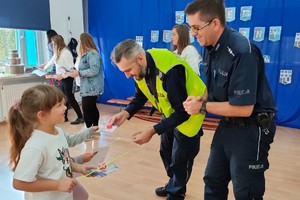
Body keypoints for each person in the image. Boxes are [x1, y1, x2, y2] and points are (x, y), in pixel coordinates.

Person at [183, 0, 277, 199]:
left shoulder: (242, 51)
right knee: (213, 180)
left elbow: (243, 109)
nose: (193, 33)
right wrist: (201, 98)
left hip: (252, 128)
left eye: (196, 28)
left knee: (246, 191)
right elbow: (213, 86)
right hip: (228, 125)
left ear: (215, 23)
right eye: (190, 28)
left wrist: (202, 107)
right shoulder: (209, 47)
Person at [109, 39, 206, 200]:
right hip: (170, 112)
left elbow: (183, 113)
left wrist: (152, 130)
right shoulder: (140, 68)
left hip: (190, 113)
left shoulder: (170, 71)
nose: (127, 76)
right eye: (123, 72)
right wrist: (125, 114)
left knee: (181, 158)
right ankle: (174, 183)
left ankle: (177, 192)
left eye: (128, 70)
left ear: (140, 58)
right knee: (165, 151)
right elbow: (141, 96)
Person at [8, 84, 96, 200]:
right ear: (42, 115)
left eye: (63, 104)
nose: (65, 108)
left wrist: (80, 168)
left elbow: (61, 163)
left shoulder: (58, 132)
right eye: (59, 105)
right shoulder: (35, 146)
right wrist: (58, 184)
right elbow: (19, 183)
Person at [40, 35, 84, 125]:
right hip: (62, 78)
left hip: (68, 78)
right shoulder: (58, 53)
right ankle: (65, 117)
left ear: (57, 43)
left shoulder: (66, 53)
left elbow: (71, 69)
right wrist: (43, 68)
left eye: (53, 44)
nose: (52, 46)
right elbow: (52, 61)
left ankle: (80, 116)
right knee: (64, 99)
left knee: (70, 98)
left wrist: (62, 76)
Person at [71, 33, 104, 131]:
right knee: (92, 107)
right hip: (87, 86)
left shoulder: (92, 54)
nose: (78, 44)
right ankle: (94, 128)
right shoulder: (84, 54)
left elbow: (94, 70)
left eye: (80, 41)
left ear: (84, 42)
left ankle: (89, 131)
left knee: (87, 109)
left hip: (91, 87)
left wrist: (79, 73)